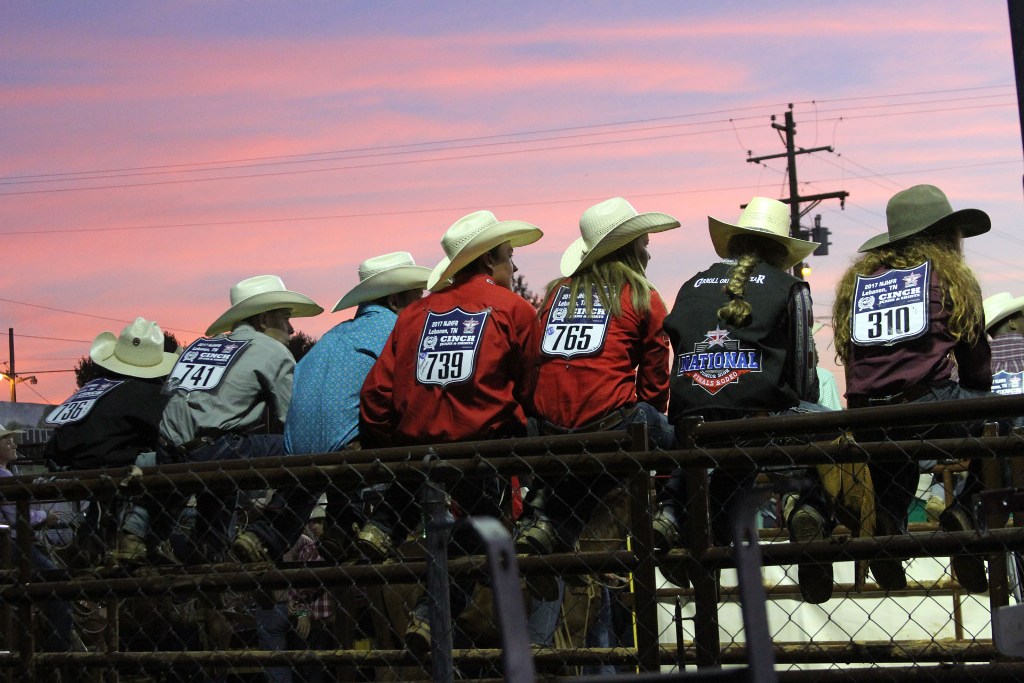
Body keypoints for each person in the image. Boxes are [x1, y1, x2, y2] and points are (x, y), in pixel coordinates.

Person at [360, 209, 543, 653]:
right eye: (509, 258)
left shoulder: (413, 315)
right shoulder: (513, 309)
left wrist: (389, 444)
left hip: (418, 445)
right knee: (483, 528)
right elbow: (530, 385)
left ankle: (383, 523)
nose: (513, 268)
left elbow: (376, 394)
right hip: (484, 444)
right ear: (488, 261)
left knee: (421, 475)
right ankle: (430, 612)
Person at [659, 196, 832, 603]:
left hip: (692, 423)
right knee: (824, 423)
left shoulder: (691, 285)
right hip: (759, 419)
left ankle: (680, 524)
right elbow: (803, 377)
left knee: (731, 471)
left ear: (734, 244)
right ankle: (804, 509)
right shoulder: (790, 288)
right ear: (781, 252)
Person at [514, 196, 679, 601]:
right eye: (642, 241)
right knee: (683, 442)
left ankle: (551, 528)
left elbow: (537, 362)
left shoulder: (556, 295)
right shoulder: (641, 295)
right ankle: (674, 517)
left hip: (550, 430)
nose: (647, 248)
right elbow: (657, 379)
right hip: (613, 425)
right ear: (627, 246)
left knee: (587, 466)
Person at [832, 183, 993, 593]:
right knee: (1008, 420)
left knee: (895, 457)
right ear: (943, 234)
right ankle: (969, 512)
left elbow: (854, 360)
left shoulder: (859, 284)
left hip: (868, 416)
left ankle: (889, 524)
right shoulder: (950, 278)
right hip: (928, 410)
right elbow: (977, 371)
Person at [119, 275, 323, 564]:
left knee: (209, 483)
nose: (291, 328)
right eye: (285, 318)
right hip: (216, 448)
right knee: (308, 451)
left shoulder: (201, 347)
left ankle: (138, 538)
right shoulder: (272, 350)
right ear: (264, 319)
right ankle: (265, 535)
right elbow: (293, 417)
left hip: (170, 448)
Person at [283, 251, 430, 562]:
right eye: (417, 297)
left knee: (347, 426)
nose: (422, 303)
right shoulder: (400, 331)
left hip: (297, 449)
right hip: (348, 448)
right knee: (427, 454)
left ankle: (338, 530)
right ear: (395, 301)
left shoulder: (333, 335)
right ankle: (382, 528)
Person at [44, 318, 180, 565]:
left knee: (111, 479)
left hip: (66, 464)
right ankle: (143, 536)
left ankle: (88, 539)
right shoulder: (148, 394)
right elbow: (169, 432)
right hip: (111, 464)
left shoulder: (93, 387)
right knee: (177, 463)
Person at [0, 424, 73, 656]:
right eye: (7, 440)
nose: (14, 444)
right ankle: (57, 650)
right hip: (9, 545)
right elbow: (16, 516)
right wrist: (45, 517)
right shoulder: (4, 475)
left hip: (7, 542)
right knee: (57, 582)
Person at [252, 506, 336, 683]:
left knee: (279, 666)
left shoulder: (256, 541)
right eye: (311, 521)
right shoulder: (303, 541)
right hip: (292, 609)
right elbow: (307, 585)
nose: (313, 526)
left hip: (275, 607)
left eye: (318, 522)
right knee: (307, 665)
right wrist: (303, 611)